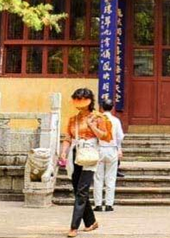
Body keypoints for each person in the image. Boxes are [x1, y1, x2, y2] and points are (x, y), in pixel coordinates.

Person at [60, 87, 112, 236]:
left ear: (89, 101)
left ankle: (74, 227)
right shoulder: (73, 119)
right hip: (76, 153)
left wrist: (92, 125)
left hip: (90, 154)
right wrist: (63, 152)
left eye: (82, 99)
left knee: (82, 190)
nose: (79, 102)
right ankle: (91, 222)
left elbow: (105, 136)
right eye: (76, 99)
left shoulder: (98, 117)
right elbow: (68, 138)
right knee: (77, 189)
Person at [93, 97, 124, 212]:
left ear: (101, 107)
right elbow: (120, 137)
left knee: (98, 178)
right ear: (112, 108)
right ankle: (109, 204)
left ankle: (98, 204)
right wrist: (119, 148)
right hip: (112, 149)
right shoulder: (116, 121)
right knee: (110, 177)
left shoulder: (97, 120)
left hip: (99, 149)